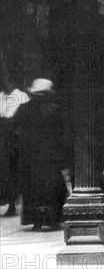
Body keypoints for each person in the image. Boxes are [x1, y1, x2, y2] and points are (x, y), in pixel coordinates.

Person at [13, 79, 68, 231]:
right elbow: (61, 135)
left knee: (32, 190)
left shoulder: (24, 109)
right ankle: (52, 219)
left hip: (30, 157)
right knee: (52, 189)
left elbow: (16, 132)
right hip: (50, 157)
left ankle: (36, 220)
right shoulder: (55, 110)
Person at [0, 71, 30, 216]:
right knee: (4, 170)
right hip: (3, 137)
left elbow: (24, 118)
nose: (6, 84)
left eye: (8, 81)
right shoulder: (2, 96)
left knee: (14, 169)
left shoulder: (21, 96)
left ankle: (15, 202)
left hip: (15, 138)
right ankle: (8, 201)